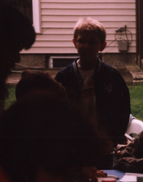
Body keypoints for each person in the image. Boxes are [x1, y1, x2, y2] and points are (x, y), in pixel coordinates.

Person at [55, 17, 131, 170]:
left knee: (104, 179)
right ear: (74, 42)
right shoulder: (64, 77)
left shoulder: (112, 76)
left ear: (102, 46)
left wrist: (113, 139)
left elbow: (123, 111)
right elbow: (56, 112)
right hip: (74, 145)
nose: (86, 46)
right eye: (81, 41)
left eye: (92, 42)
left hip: (103, 145)